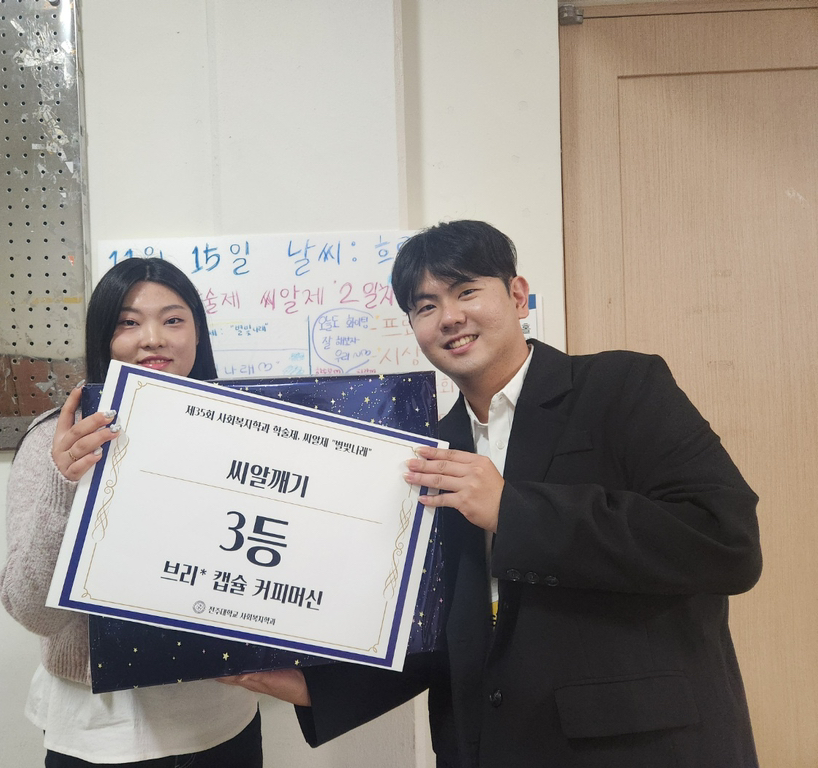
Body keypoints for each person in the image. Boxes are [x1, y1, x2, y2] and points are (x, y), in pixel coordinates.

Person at [224, 220, 762, 767]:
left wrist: (512, 510)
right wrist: (316, 689)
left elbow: (725, 541)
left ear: (518, 296)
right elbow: (444, 627)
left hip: (640, 748)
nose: (449, 317)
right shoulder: (431, 450)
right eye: (426, 306)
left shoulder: (622, 386)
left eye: (466, 291)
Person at [0, 258, 262, 768]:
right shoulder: (57, 440)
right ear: (104, 337)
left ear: (197, 333)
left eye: (173, 319)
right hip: (100, 725)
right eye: (128, 322)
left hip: (222, 714)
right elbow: (33, 611)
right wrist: (64, 485)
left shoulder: (247, 431)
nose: (153, 339)